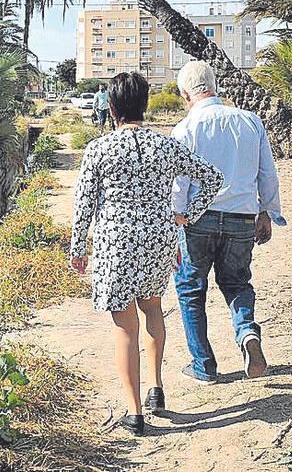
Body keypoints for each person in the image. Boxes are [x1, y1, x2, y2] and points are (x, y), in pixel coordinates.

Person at [70, 71, 224, 435]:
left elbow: (84, 204)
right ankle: (157, 389)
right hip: (159, 241)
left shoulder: (98, 149)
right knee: (153, 308)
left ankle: (134, 411)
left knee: (125, 327)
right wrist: (186, 216)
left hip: (116, 244)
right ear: (145, 104)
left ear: (111, 107)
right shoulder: (165, 146)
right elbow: (213, 178)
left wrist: (78, 248)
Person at [170, 60, 284, 385]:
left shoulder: (185, 129)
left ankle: (204, 366)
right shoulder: (251, 122)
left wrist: (175, 218)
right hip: (242, 218)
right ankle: (247, 331)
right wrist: (267, 212)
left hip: (198, 220)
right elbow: (267, 174)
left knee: (191, 290)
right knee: (236, 283)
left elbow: (179, 183)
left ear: (184, 94)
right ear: (214, 86)